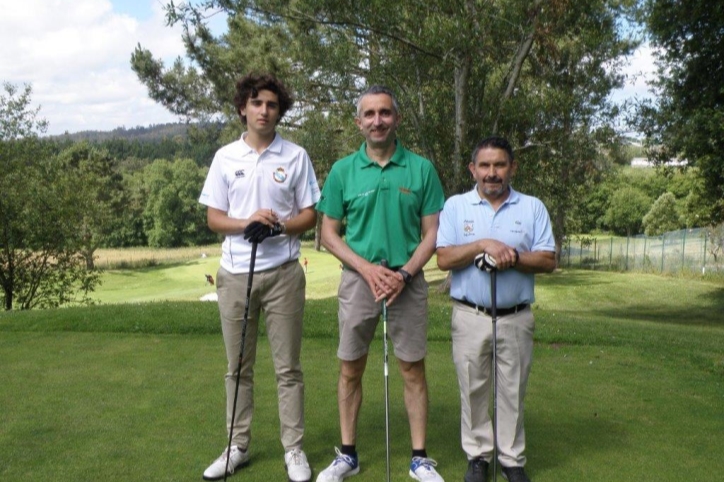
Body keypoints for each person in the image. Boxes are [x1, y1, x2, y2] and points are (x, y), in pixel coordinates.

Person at [315, 85, 446, 482]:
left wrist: (404, 273)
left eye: (385, 113)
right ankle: (348, 455)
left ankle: (419, 458)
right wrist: (368, 269)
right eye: (369, 114)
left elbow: (432, 233)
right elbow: (329, 234)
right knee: (350, 368)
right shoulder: (342, 170)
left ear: (397, 119)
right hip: (359, 282)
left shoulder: (421, 168)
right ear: (358, 122)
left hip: (408, 281)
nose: (377, 120)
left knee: (411, 368)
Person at [198, 73, 320, 482]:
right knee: (237, 367)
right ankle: (237, 445)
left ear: (278, 110)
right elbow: (214, 218)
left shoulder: (295, 156)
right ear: (242, 109)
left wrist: (280, 226)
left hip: (284, 273)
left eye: (271, 104)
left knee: (288, 368)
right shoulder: (224, 157)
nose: (264, 110)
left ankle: (294, 448)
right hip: (235, 274)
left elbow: (309, 214)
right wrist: (246, 222)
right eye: (256, 103)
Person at [435, 136, 556, 482]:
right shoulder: (456, 206)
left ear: (512, 168)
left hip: (515, 316)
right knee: (472, 389)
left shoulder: (532, 207)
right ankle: (478, 456)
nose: (492, 173)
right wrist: (483, 245)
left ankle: (512, 460)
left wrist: (513, 257)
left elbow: (548, 259)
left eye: (499, 165)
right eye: (484, 166)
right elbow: (444, 257)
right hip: (470, 314)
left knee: (512, 389)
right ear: (473, 169)